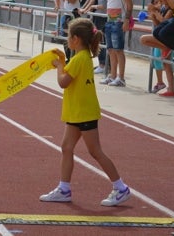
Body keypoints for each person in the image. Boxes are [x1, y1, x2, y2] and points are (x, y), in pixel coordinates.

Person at [39, 18, 131, 207]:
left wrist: (58, 66)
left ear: (76, 39)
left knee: (95, 151)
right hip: (77, 112)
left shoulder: (80, 58)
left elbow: (63, 82)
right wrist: (63, 64)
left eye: (68, 36)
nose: (67, 40)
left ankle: (121, 187)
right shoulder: (82, 58)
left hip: (84, 113)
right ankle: (64, 189)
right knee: (66, 147)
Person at [99, 0, 133, 87]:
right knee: (111, 50)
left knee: (119, 50)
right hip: (110, 20)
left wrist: (126, 20)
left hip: (119, 21)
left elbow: (129, 4)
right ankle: (112, 75)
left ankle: (121, 77)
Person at [140, 0, 174, 94]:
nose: (162, 1)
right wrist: (153, 15)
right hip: (159, 39)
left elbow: (164, 22)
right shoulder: (163, 9)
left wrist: (155, 11)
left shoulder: (170, 10)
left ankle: (171, 89)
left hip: (166, 38)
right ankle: (161, 83)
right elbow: (157, 24)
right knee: (158, 62)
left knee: (167, 65)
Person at [80, 0, 109, 74]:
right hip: (108, 17)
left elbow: (101, 5)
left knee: (100, 40)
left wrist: (90, 7)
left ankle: (102, 64)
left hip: (101, 16)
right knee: (106, 41)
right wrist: (85, 8)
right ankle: (106, 65)